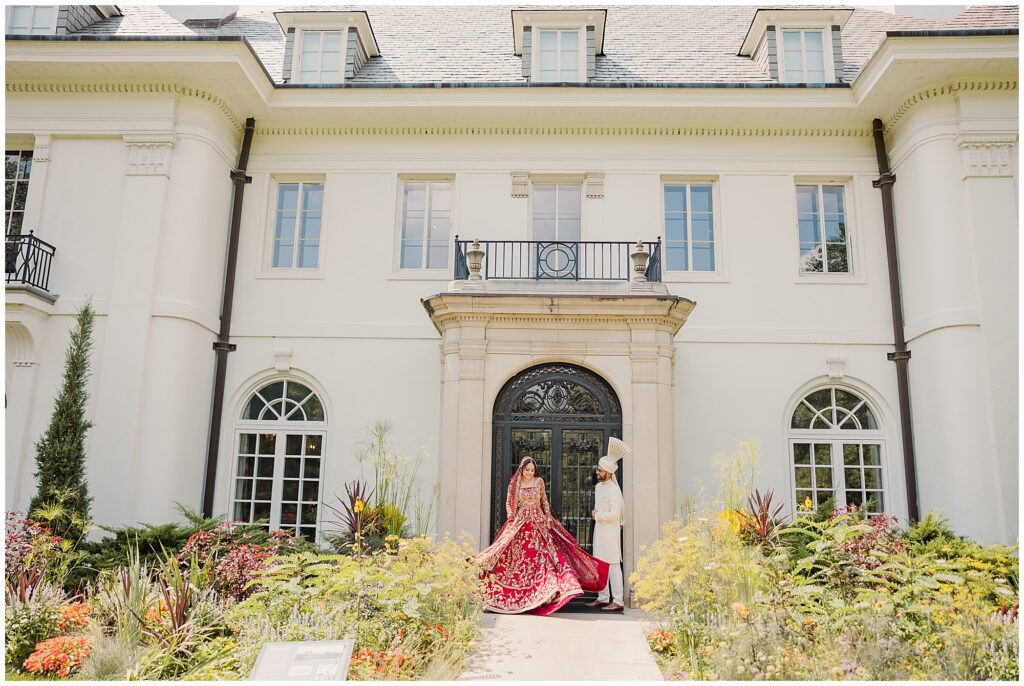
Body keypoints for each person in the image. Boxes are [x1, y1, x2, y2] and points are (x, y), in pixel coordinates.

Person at [473, 456, 609, 615]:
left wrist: (547, 517)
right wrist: (511, 519)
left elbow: (544, 501)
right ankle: (519, 594)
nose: (530, 473)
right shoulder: (514, 484)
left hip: (539, 523)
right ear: (521, 469)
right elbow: (509, 504)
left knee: (545, 557)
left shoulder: (539, 482)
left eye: (532, 470)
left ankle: (547, 594)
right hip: (521, 523)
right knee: (517, 559)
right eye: (527, 470)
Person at [585, 437, 628, 611]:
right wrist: (598, 516)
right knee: (601, 564)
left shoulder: (614, 490)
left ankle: (618, 601)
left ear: (609, 473)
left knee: (613, 565)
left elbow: (615, 514)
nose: (598, 472)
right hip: (600, 530)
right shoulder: (599, 487)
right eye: (598, 469)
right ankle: (603, 597)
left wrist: (597, 515)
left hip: (610, 531)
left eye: (601, 470)